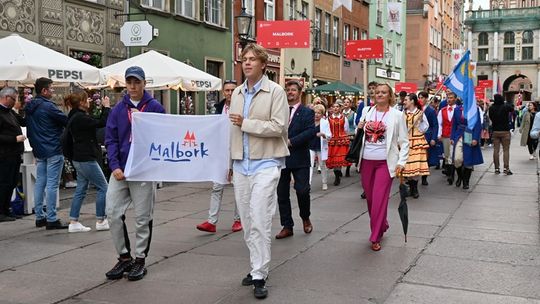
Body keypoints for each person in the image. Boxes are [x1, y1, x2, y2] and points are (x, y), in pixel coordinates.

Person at [228, 43, 289, 299]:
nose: (248, 62)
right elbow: (232, 131)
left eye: (253, 59)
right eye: (244, 59)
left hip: (267, 162)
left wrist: (247, 123)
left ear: (263, 64)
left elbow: (279, 126)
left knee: (260, 218)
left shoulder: (275, 92)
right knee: (248, 221)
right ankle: (256, 265)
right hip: (242, 164)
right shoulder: (237, 94)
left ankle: (260, 274)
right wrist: (229, 162)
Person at [104, 66, 165, 281]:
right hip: (121, 170)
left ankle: (140, 260)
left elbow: (163, 137)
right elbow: (110, 139)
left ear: (144, 83)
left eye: (136, 82)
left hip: (143, 170)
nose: (132, 86)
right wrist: (114, 166)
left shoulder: (155, 107)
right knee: (111, 212)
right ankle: (124, 257)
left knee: (142, 217)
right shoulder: (118, 109)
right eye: (129, 82)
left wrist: (145, 122)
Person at [357, 83, 409, 251]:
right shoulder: (366, 112)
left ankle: (375, 235)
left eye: (383, 92)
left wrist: (401, 162)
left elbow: (404, 141)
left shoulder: (397, 115)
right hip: (366, 161)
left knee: (379, 198)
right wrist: (358, 128)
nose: (379, 94)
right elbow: (360, 135)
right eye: (377, 92)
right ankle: (382, 223)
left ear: (389, 95)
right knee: (371, 200)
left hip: (385, 163)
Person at [197, 80, 242, 233]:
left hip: (237, 150)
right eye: (227, 90)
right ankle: (211, 221)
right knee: (217, 187)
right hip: (220, 151)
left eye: (233, 90)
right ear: (223, 92)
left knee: (238, 187)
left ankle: (238, 220)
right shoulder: (218, 107)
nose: (230, 93)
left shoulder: (243, 106)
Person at [25, 77, 69, 229]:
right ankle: (51, 218)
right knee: (51, 184)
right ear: (44, 90)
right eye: (51, 88)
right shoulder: (48, 107)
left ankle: (39, 216)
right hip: (52, 148)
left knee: (40, 183)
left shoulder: (30, 106)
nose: (53, 91)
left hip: (39, 149)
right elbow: (65, 120)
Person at [64, 92, 111, 233]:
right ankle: (101, 220)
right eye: (87, 100)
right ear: (82, 102)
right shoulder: (80, 118)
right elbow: (101, 122)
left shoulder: (74, 116)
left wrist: (102, 110)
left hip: (78, 157)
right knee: (104, 187)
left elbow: (95, 120)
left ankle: (74, 221)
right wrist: (106, 107)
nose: (89, 101)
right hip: (86, 158)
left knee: (81, 189)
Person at [275, 79, 316, 240]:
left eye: (293, 90)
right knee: (282, 193)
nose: (290, 92)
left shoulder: (307, 112)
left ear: (300, 93)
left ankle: (305, 217)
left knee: (302, 190)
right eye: (288, 89)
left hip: (299, 156)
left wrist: (292, 141)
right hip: (281, 157)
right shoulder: (279, 110)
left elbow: (310, 132)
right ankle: (287, 225)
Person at [0, 87, 26, 222]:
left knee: (12, 182)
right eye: (13, 99)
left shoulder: (10, 112)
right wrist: (14, 139)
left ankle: (6, 209)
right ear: (5, 97)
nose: (15, 102)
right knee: (4, 182)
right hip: (4, 154)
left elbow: (23, 121)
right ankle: (1, 211)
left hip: (14, 153)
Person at [401, 93, 429, 199]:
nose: (404, 102)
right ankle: (410, 188)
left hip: (417, 142)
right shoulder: (402, 113)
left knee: (416, 166)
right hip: (406, 142)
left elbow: (425, 127)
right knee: (407, 167)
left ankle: (415, 189)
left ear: (412, 101)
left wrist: (420, 122)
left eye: (406, 100)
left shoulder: (420, 113)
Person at [450, 102, 483, 189]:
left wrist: (476, 138)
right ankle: (460, 177)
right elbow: (454, 125)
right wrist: (452, 137)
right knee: (457, 159)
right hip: (459, 135)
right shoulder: (457, 109)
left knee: (468, 160)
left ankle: (466, 181)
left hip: (470, 134)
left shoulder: (475, 109)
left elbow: (478, 125)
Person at [488, 94, 514, 175]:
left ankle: (496, 168)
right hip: (505, 131)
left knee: (496, 150)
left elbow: (491, 117)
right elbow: (512, 108)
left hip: (495, 131)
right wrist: (507, 102)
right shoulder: (505, 106)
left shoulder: (491, 108)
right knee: (506, 150)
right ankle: (506, 168)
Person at [326, 101, 351, 186]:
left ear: (340, 108)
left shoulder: (344, 118)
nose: (335, 108)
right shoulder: (328, 119)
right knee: (333, 159)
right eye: (334, 107)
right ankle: (337, 173)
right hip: (332, 140)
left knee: (339, 159)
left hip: (341, 141)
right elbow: (327, 129)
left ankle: (337, 175)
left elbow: (346, 129)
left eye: (337, 107)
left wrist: (344, 137)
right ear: (331, 108)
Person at [418, 91, 439, 185]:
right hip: (416, 136)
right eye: (419, 97)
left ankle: (424, 177)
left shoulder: (430, 110)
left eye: (422, 97)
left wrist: (434, 138)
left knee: (426, 158)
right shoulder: (416, 109)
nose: (420, 99)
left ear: (426, 99)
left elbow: (435, 125)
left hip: (427, 135)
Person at [309, 104, 330, 190]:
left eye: (319, 113)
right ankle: (308, 184)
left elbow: (329, 135)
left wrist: (323, 134)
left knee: (322, 165)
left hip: (321, 146)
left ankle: (324, 182)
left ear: (322, 114)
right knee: (309, 165)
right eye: (315, 113)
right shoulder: (309, 122)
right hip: (310, 146)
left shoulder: (325, 122)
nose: (316, 115)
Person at [437, 91, 457, 185]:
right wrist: (439, 134)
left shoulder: (458, 109)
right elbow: (439, 124)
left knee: (453, 156)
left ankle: (451, 176)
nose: (449, 99)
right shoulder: (442, 110)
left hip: (455, 136)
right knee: (447, 155)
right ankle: (449, 173)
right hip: (445, 135)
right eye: (448, 98)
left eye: (451, 98)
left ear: (455, 99)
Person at [342, 97, 357, 177]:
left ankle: (348, 168)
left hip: (350, 135)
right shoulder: (340, 113)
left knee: (348, 152)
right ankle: (339, 168)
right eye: (344, 102)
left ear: (350, 104)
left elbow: (355, 125)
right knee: (341, 152)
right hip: (342, 135)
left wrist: (354, 133)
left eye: (347, 102)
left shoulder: (354, 114)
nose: (346, 103)